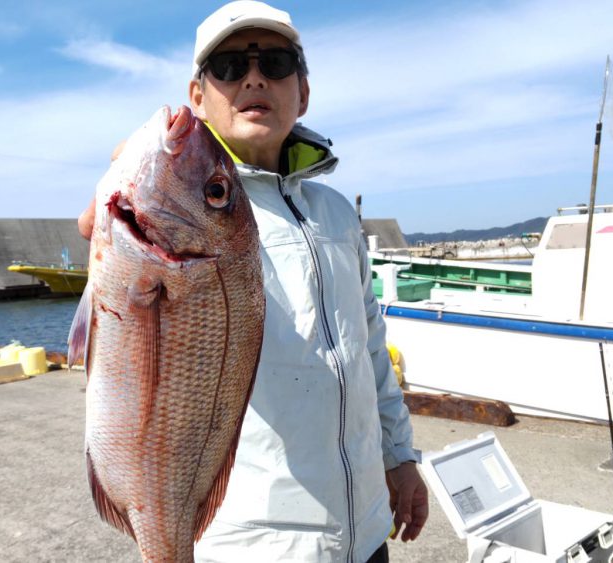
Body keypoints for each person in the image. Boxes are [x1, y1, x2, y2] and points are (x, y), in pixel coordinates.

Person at [79, 2, 428, 561]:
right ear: (197, 96)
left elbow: (369, 348)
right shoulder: (167, 209)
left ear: (303, 92)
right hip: (255, 543)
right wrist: (125, 193)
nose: (254, 77)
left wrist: (400, 457)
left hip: (364, 535)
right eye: (228, 66)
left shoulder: (336, 214)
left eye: (276, 61)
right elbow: (115, 300)